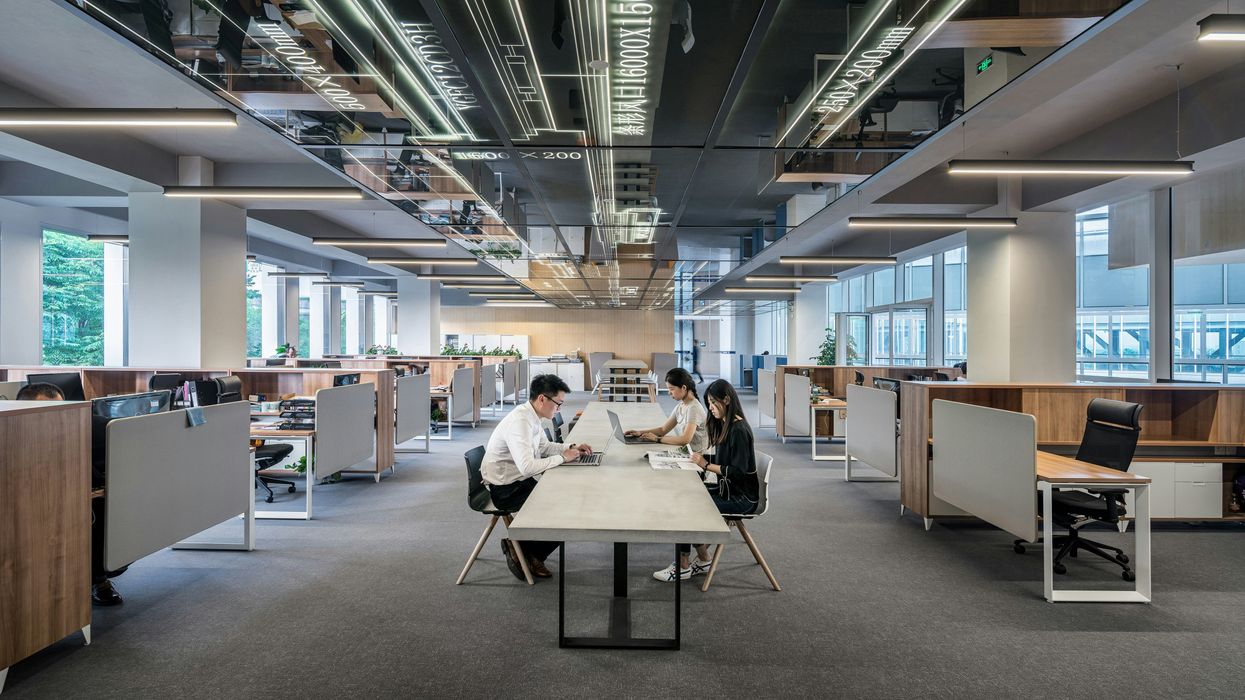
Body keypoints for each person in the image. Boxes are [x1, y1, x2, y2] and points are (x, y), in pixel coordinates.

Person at [16, 383, 125, 605]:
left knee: (103, 512)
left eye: (61, 409)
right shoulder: (14, 438)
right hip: (26, 506)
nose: (55, 417)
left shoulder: (78, 429)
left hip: (72, 499)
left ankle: (97, 579)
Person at [481, 374, 594, 580]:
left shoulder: (532, 416)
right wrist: (562, 458)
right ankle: (525, 551)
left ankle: (524, 549)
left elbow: (544, 447)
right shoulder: (520, 422)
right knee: (567, 509)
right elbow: (527, 467)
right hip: (506, 489)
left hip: (518, 481)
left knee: (571, 500)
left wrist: (571, 447)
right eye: (558, 404)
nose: (559, 409)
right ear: (542, 399)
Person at [653, 379, 758, 582]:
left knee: (686, 507)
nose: (710, 408)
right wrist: (699, 459)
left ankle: (684, 565)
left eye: (713, 403)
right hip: (728, 489)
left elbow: (738, 472)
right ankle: (703, 558)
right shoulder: (727, 425)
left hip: (741, 498)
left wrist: (705, 465)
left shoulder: (739, 430)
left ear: (726, 400)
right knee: (684, 497)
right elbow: (725, 461)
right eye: (708, 403)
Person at [624, 368, 708, 453]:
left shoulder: (694, 408)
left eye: (671, 389)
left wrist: (657, 439)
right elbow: (663, 430)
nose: (669, 392)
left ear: (683, 388)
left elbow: (685, 439)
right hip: (687, 453)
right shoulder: (681, 406)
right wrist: (640, 433)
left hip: (697, 458)